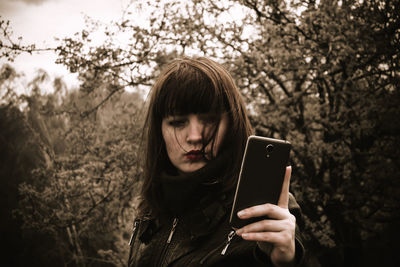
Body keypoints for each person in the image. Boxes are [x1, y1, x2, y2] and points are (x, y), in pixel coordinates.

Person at [128, 57, 305, 267]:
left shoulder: (265, 208)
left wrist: (285, 261)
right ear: (160, 132)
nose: (194, 136)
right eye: (177, 122)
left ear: (231, 125)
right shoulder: (151, 207)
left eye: (209, 120)